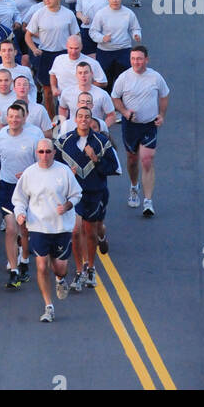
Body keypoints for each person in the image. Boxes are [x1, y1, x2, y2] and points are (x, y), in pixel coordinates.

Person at [12, 138, 81, 322]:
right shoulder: (29, 173)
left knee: (60, 268)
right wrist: (20, 214)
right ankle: (48, 306)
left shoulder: (64, 171)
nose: (44, 155)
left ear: (54, 153)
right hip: (38, 227)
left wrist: (66, 206)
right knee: (41, 265)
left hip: (61, 227)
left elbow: (76, 194)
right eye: (41, 152)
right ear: (36, 153)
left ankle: (60, 279)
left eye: (48, 152)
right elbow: (19, 199)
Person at [56, 105, 119, 290]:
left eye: (87, 117)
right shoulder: (64, 141)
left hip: (94, 192)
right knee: (75, 232)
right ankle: (78, 270)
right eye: (80, 116)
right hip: (73, 195)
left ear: (91, 120)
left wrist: (96, 159)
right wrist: (67, 173)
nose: (83, 119)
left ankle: (90, 267)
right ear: (75, 119)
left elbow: (113, 167)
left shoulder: (101, 142)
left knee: (90, 231)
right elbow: (54, 166)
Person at [112, 46, 169, 218]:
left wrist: (161, 115)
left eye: (139, 58)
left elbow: (164, 95)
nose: (136, 62)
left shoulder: (155, 77)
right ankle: (134, 186)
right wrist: (124, 112)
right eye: (133, 58)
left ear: (146, 60)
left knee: (146, 160)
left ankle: (148, 201)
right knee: (132, 159)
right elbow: (115, 97)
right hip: (130, 126)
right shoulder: (124, 78)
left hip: (149, 125)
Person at [0, 101, 38, 289]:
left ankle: (24, 259)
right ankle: (14, 271)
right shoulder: (0, 137)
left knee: (23, 229)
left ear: (24, 118)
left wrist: (27, 174)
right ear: (6, 118)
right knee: (11, 228)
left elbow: (40, 163)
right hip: (7, 187)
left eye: (18, 117)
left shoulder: (33, 137)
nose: (14, 120)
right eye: (11, 116)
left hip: (27, 188)